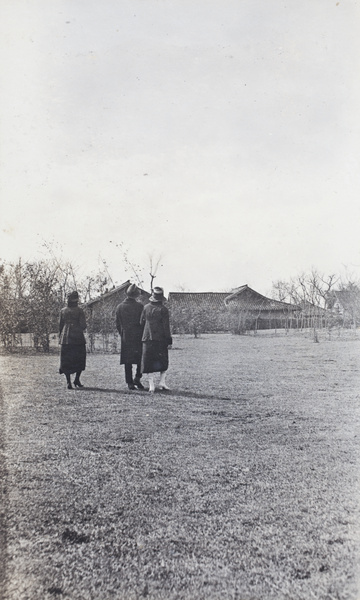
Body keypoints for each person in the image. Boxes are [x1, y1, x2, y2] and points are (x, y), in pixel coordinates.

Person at [140, 286, 172, 393]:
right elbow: (166, 327)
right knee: (162, 361)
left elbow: (141, 322)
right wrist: (169, 340)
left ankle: (151, 385)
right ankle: (162, 382)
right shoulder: (164, 310)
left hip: (147, 338)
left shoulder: (145, 308)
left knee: (149, 362)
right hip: (160, 339)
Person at [115, 283, 145, 390]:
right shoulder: (140, 307)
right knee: (140, 359)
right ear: (136, 295)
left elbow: (117, 324)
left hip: (126, 336)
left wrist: (122, 333)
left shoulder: (119, 307)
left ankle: (130, 382)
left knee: (128, 361)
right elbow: (143, 323)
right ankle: (137, 378)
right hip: (138, 336)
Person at [59, 291, 87, 389]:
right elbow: (83, 325)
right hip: (77, 339)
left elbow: (60, 326)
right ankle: (76, 379)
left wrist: (61, 336)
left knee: (66, 360)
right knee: (79, 359)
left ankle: (68, 382)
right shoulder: (80, 311)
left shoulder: (63, 311)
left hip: (65, 339)